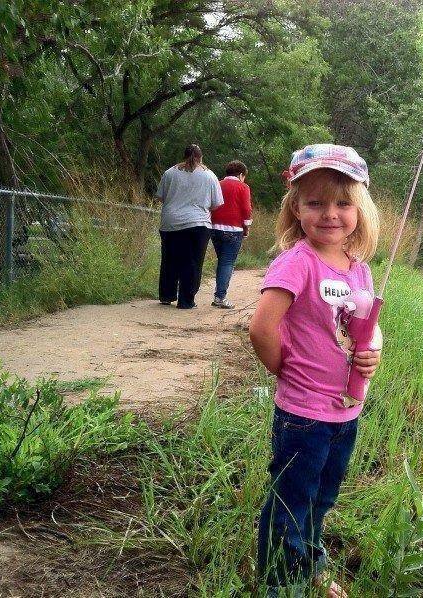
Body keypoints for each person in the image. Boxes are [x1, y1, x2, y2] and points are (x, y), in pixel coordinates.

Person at [249, 144, 382, 598]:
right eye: (316, 202)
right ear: (296, 208)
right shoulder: (296, 262)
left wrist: (371, 355)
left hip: (346, 410)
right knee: (292, 497)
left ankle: (309, 563)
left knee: (322, 497)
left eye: (343, 203)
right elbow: (262, 328)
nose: (330, 214)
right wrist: (284, 370)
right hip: (304, 412)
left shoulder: (359, 271)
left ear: (360, 210)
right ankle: (278, 583)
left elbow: (366, 329)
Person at [156, 144, 223, 309]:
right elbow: (216, 204)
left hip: (170, 223)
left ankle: (167, 295)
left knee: (169, 259)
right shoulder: (210, 176)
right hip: (198, 224)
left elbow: (160, 197)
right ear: (201, 157)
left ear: (183, 155)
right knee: (193, 262)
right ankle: (186, 300)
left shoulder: (169, 173)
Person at [210, 160, 253, 308]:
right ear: (241, 174)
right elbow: (246, 209)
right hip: (234, 230)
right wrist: (247, 227)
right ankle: (220, 297)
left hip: (214, 228)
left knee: (222, 260)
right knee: (227, 262)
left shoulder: (217, 184)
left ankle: (219, 294)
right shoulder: (243, 187)